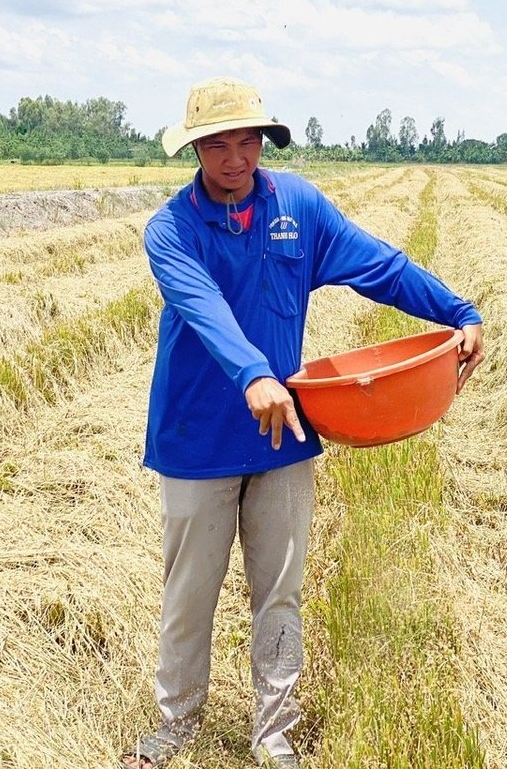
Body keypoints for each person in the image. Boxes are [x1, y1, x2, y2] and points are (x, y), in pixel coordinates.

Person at [122, 77, 484, 769]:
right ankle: (176, 724)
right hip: (196, 439)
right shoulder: (170, 231)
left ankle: (273, 732)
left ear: (264, 141)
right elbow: (203, 306)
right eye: (218, 145)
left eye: (247, 141)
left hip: (282, 436)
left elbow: (380, 266)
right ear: (194, 150)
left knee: (280, 592)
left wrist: (456, 310)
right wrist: (254, 373)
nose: (236, 158)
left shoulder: (299, 207)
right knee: (189, 593)